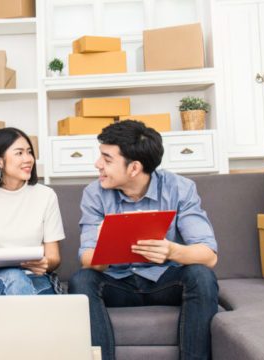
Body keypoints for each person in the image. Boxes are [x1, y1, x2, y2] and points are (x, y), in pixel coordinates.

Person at [69, 120, 219, 360]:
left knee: (201, 275)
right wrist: (108, 249)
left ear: (134, 168)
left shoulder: (180, 188)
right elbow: (86, 257)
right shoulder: (94, 193)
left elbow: (208, 255)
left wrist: (171, 251)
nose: (98, 165)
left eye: (107, 160)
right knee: (81, 280)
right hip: (117, 283)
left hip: (164, 282)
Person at [0, 127, 65, 295]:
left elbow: (54, 257)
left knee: (24, 284)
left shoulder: (46, 196)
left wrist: (46, 263)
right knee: (14, 277)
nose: (28, 159)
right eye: (19, 153)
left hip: (36, 277)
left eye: (29, 152)